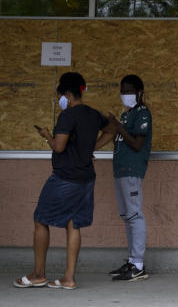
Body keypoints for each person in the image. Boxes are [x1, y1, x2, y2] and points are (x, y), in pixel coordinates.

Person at [14, 72, 109, 290]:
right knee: (73, 224)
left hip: (65, 177)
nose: (60, 100)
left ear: (67, 94)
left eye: (60, 96)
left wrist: (47, 135)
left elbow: (59, 147)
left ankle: (38, 274)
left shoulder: (67, 116)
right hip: (86, 178)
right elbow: (111, 130)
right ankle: (68, 278)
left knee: (40, 219)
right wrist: (91, 147)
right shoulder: (93, 114)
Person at [94, 74, 153, 281]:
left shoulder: (142, 113)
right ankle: (131, 261)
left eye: (129, 91)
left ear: (139, 92)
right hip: (120, 170)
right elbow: (113, 133)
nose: (125, 95)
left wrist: (118, 126)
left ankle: (138, 264)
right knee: (127, 216)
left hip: (132, 170)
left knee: (135, 215)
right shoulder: (127, 114)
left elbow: (137, 144)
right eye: (123, 91)